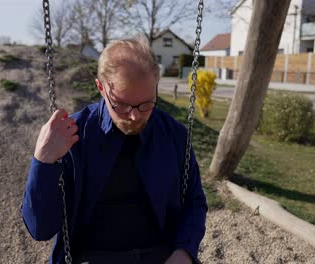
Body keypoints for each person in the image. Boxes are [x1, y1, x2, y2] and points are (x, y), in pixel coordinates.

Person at [21, 36, 207, 264]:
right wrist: (43, 161)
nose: (135, 115)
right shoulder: (71, 137)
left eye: (147, 103)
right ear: (101, 87)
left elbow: (194, 203)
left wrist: (184, 252)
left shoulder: (174, 136)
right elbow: (40, 228)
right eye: (122, 104)